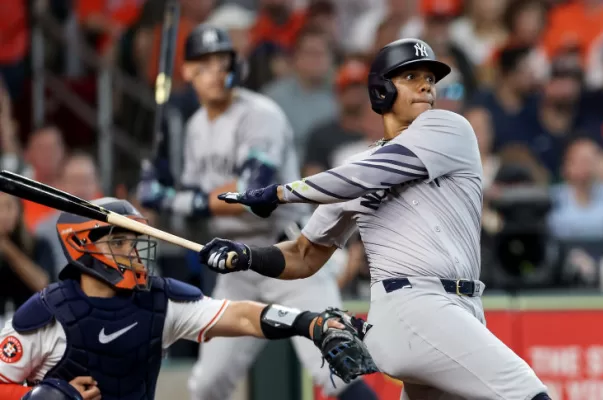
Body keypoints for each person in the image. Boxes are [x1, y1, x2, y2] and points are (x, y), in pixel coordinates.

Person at [198, 38, 550, 399]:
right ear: (381, 90)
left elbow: (366, 175)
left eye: (430, 77)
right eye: (410, 76)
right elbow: (303, 256)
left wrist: (279, 193)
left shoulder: (449, 130)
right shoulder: (351, 174)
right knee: (528, 393)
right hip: (416, 307)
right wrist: (247, 256)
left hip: (458, 308)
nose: (426, 85)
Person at [136, 25, 377, 400]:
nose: (215, 72)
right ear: (187, 71)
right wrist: (162, 192)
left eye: (222, 62)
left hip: (288, 256)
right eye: (204, 64)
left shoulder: (260, 114)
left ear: (236, 66)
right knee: (207, 383)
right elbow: (197, 210)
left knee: (334, 369)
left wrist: (173, 198)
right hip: (236, 265)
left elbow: (250, 198)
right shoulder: (197, 126)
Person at [0, 197, 374, 400]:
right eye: (118, 242)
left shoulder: (160, 302)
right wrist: (44, 396)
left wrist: (307, 322)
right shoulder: (47, 314)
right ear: (82, 248)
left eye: (133, 241)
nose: (132, 251)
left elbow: (243, 316)